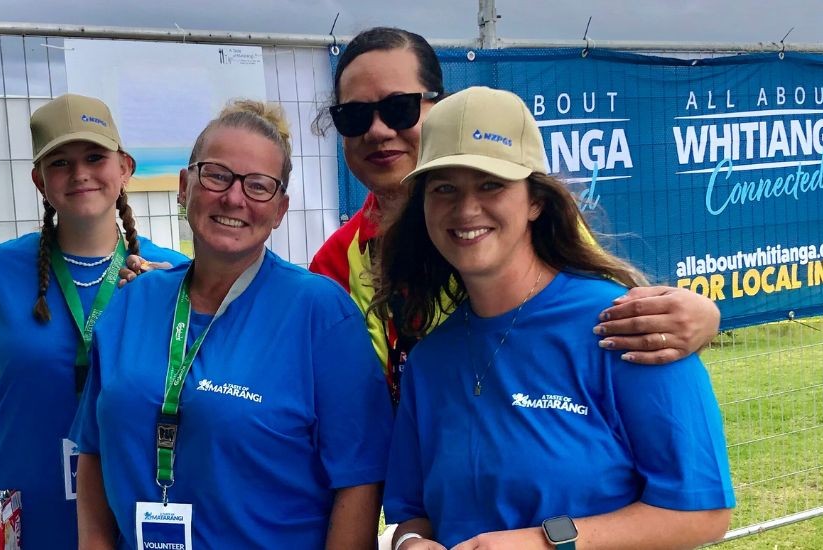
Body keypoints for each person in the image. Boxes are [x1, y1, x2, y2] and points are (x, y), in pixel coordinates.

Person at [377, 86, 734, 549]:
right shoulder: (429, 361)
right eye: (444, 188)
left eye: (491, 184)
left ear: (535, 201)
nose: (466, 209)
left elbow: (702, 512)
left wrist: (547, 543)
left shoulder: (629, 325)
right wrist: (410, 544)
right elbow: (411, 513)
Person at [310, 27, 722, 404]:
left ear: (441, 106)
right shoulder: (333, 263)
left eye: (399, 109)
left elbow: (610, 324)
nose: (377, 131)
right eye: (355, 116)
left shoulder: (527, 222)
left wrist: (697, 319)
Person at [72, 100, 392, 549]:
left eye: (258, 186)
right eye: (217, 175)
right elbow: (93, 449)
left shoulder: (321, 315)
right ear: (185, 187)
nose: (234, 197)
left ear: (280, 209)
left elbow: (360, 480)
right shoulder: (132, 305)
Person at [0, 94, 185, 547]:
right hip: (13, 519)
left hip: (122, 512)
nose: (80, 174)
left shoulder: (170, 277)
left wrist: (162, 308)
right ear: (39, 180)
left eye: (95, 157)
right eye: (60, 163)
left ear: (125, 167)